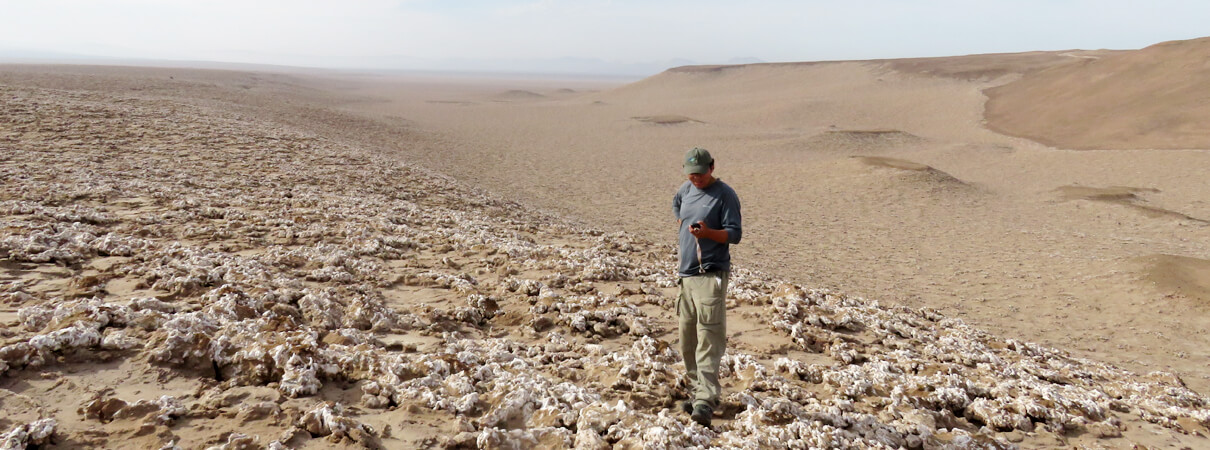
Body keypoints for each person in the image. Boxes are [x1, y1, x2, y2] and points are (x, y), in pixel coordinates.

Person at [672, 147, 742, 427]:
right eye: (691, 173)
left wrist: (707, 233)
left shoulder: (725, 195)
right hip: (686, 276)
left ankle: (706, 400)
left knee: (708, 339)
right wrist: (682, 220)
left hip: (709, 275)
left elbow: (734, 234)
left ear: (712, 167)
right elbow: (677, 203)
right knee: (687, 338)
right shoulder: (686, 189)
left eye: (700, 173)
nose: (695, 178)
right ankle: (696, 390)